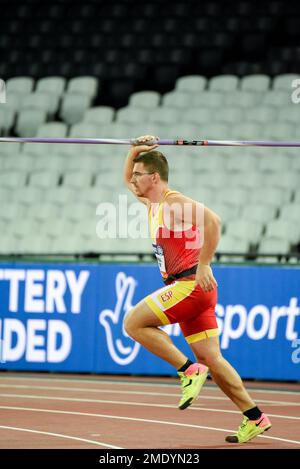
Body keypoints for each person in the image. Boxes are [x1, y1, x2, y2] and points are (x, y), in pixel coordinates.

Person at [123, 135, 271, 444]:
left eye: (139, 175)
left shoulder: (173, 203)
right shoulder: (152, 202)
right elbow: (127, 179)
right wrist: (136, 149)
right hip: (195, 291)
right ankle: (255, 416)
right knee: (213, 360)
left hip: (190, 285)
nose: (132, 180)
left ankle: (188, 371)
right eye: (134, 174)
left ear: (154, 177)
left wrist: (205, 264)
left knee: (133, 323)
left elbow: (214, 221)